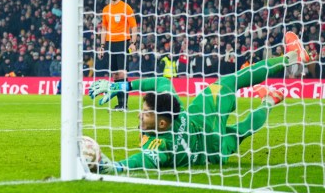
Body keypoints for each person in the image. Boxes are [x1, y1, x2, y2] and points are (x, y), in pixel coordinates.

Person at [87, 31, 310, 173]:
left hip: (214, 151)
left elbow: (141, 160)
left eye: (145, 112)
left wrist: (114, 167)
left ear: (162, 123)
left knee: (242, 130)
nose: (139, 114)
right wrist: (121, 86)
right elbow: (160, 82)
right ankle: (287, 64)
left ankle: (270, 100)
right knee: (231, 83)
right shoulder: (171, 117)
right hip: (203, 118)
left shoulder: (163, 142)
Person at [98, 0, 138, 110]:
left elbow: (134, 27)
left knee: (122, 73)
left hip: (123, 42)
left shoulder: (126, 8)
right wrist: (102, 45)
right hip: (110, 44)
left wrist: (133, 43)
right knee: (115, 75)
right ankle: (120, 104)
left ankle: (124, 104)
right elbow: (104, 28)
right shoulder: (106, 9)